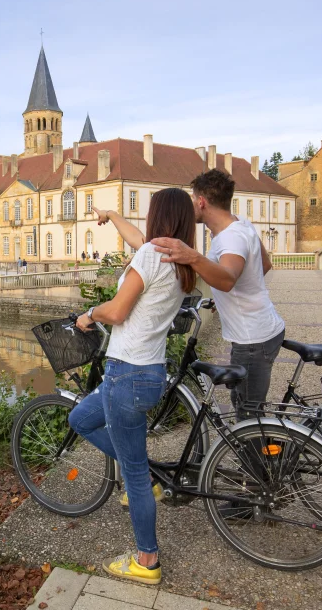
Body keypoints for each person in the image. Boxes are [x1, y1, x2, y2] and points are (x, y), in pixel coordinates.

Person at [68, 188, 196, 586]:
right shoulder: (178, 261)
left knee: (136, 476)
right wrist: (112, 213)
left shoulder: (149, 257)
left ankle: (147, 560)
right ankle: (147, 473)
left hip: (126, 374)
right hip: (148, 373)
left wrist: (91, 313)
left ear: (159, 216)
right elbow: (138, 241)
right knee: (80, 418)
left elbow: (119, 310)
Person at [150, 169, 285, 425]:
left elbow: (227, 279)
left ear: (201, 201)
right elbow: (263, 265)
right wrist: (224, 301)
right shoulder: (240, 224)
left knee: (248, 414)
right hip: (263, 329)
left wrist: (192, 256)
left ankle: (261, 464)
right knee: (245, 405)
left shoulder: (231, 238)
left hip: (252, 339)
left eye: (193, 199)